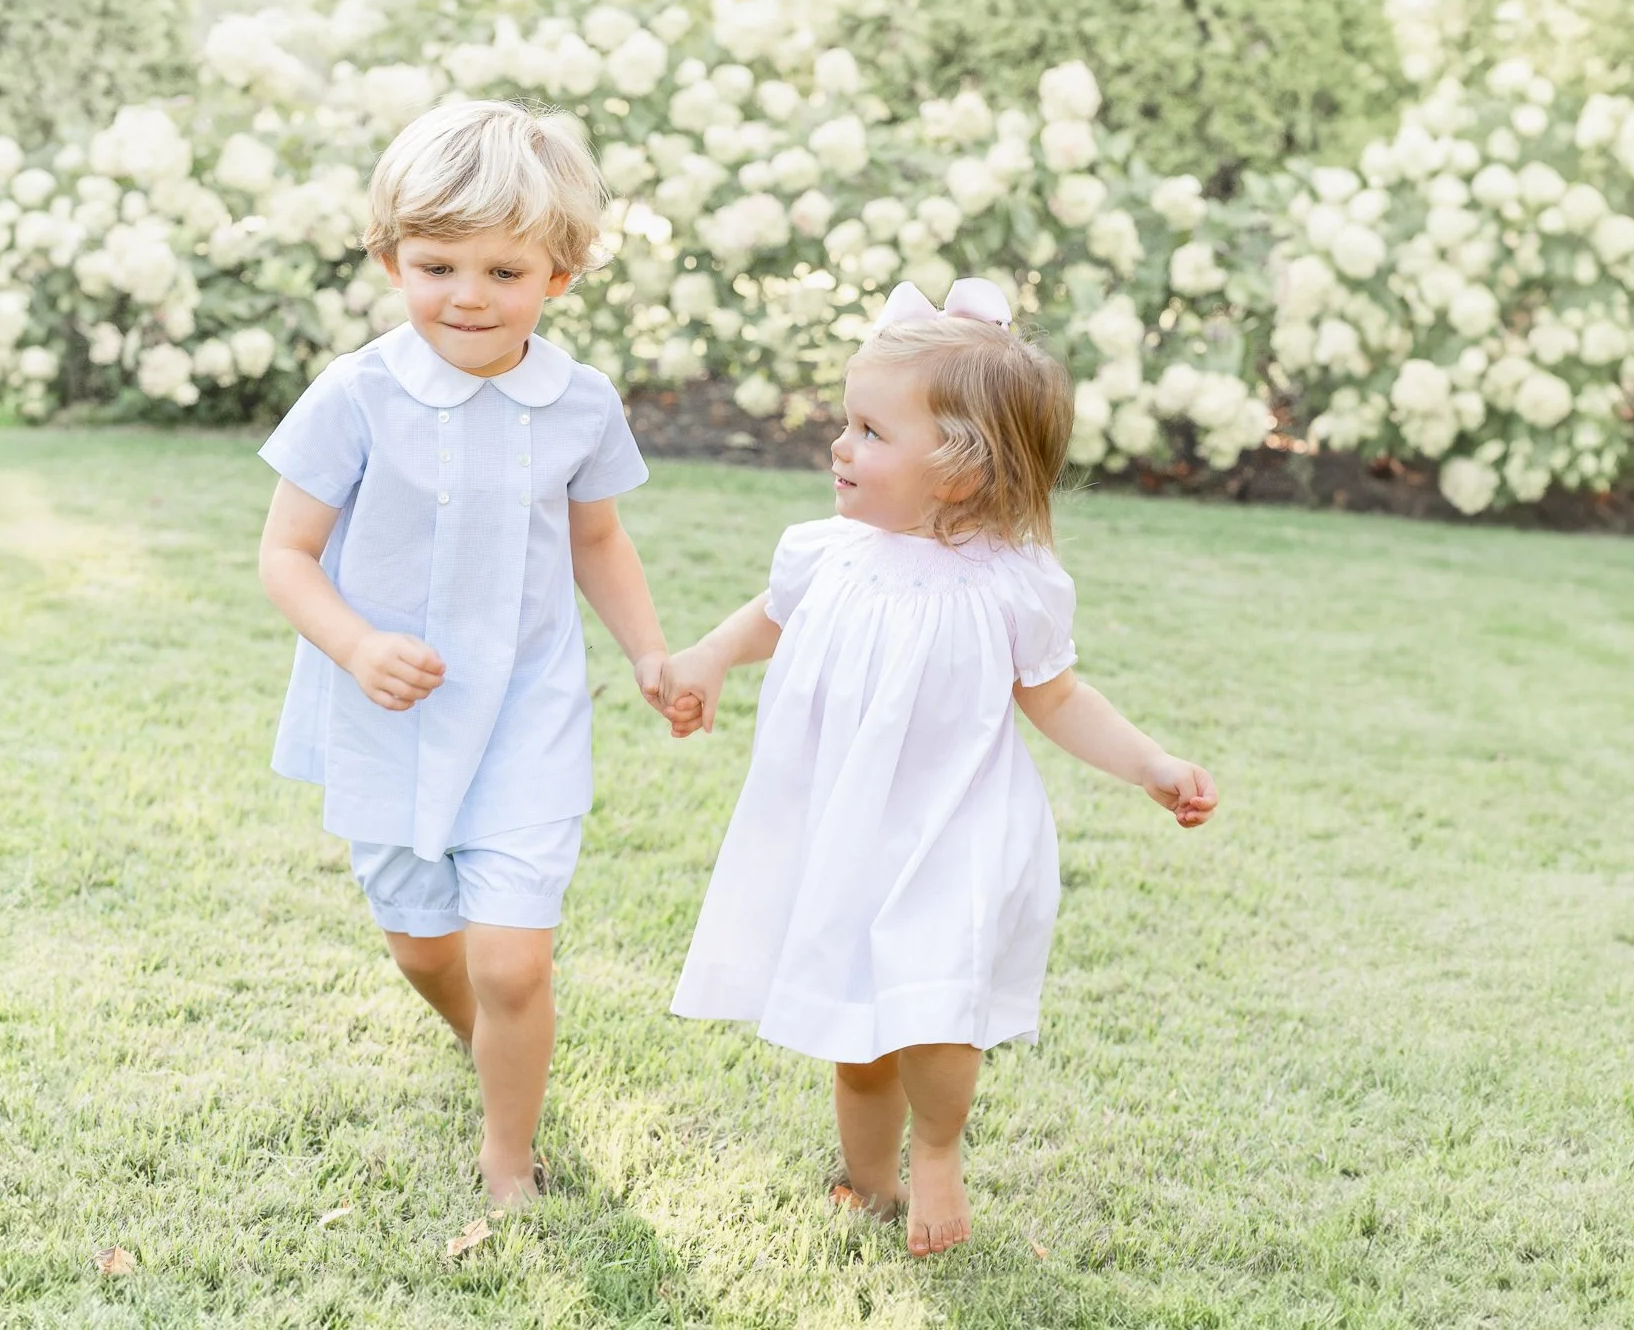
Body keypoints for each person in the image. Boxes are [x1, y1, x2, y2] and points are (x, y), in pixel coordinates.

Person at [660, 279, 1220, 1256]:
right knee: (857, 1031)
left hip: (953, 831)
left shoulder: (1012, 585)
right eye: (847, 423)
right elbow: (768, 616)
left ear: (959, 470)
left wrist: (1151, 766)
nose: (840, 446)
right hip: (845, 830)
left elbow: (1056, 698)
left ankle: (937, 1152)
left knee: (934, 1011)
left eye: (870, 433)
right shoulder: (825, 552)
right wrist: (706, 657)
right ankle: (867, 1181)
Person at [256, 99, 675, 1207]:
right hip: (387, 714)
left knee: (510, 959)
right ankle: (483, 1037)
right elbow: (287, 555)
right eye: (437, 265)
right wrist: (356, 644)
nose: (468, 298)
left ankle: (508, 1158)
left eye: (504, 272)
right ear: (392, 257)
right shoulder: (357, 394)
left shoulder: (578, 405)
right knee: (425, 952)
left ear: (560, 276)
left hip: (526, 709)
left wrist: (647, 654)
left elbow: (596, 537)